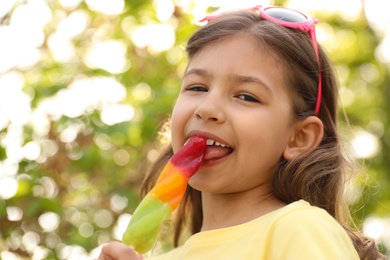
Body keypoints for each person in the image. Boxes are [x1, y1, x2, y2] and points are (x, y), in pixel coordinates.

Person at [98, 5, 384, 260]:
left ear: (299, 137)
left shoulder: (298, 229)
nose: (207, 108)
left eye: (246, 96)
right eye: (197, 87)